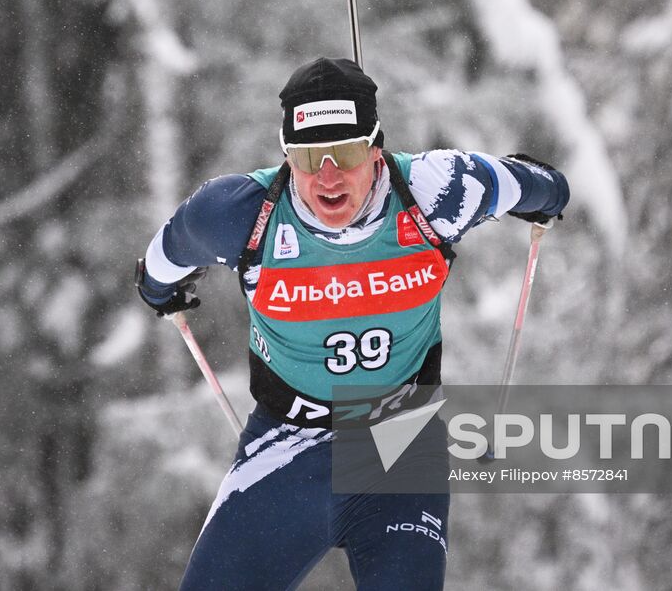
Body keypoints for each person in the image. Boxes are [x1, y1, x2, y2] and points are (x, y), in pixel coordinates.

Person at [136, 57, 570, 590]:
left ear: (375, 148)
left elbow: (536, 184)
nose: (328, 176)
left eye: (344, 152)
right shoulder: (241, 214)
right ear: (286, 156)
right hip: (286, 446)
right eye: (308, 156)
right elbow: (161, 260)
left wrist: (546, 194)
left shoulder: (436, 192)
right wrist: (160, 290)